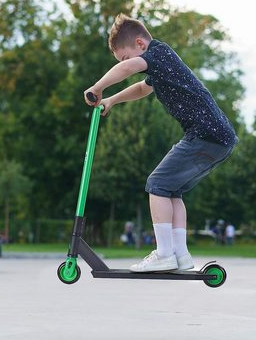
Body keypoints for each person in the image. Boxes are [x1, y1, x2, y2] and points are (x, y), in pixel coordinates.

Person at [84, 14, 238, 272]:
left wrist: (98, 87)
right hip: (217, 138)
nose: (126, 64)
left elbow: (126, 70)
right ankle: (180, 255)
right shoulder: (160, 63)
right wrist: (111, 100)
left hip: (205, 135)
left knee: (156, 184)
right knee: (170, 190)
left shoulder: (159, 53)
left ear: (140, 44)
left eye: (127, 57)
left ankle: (164, 253)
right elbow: (142, 88)